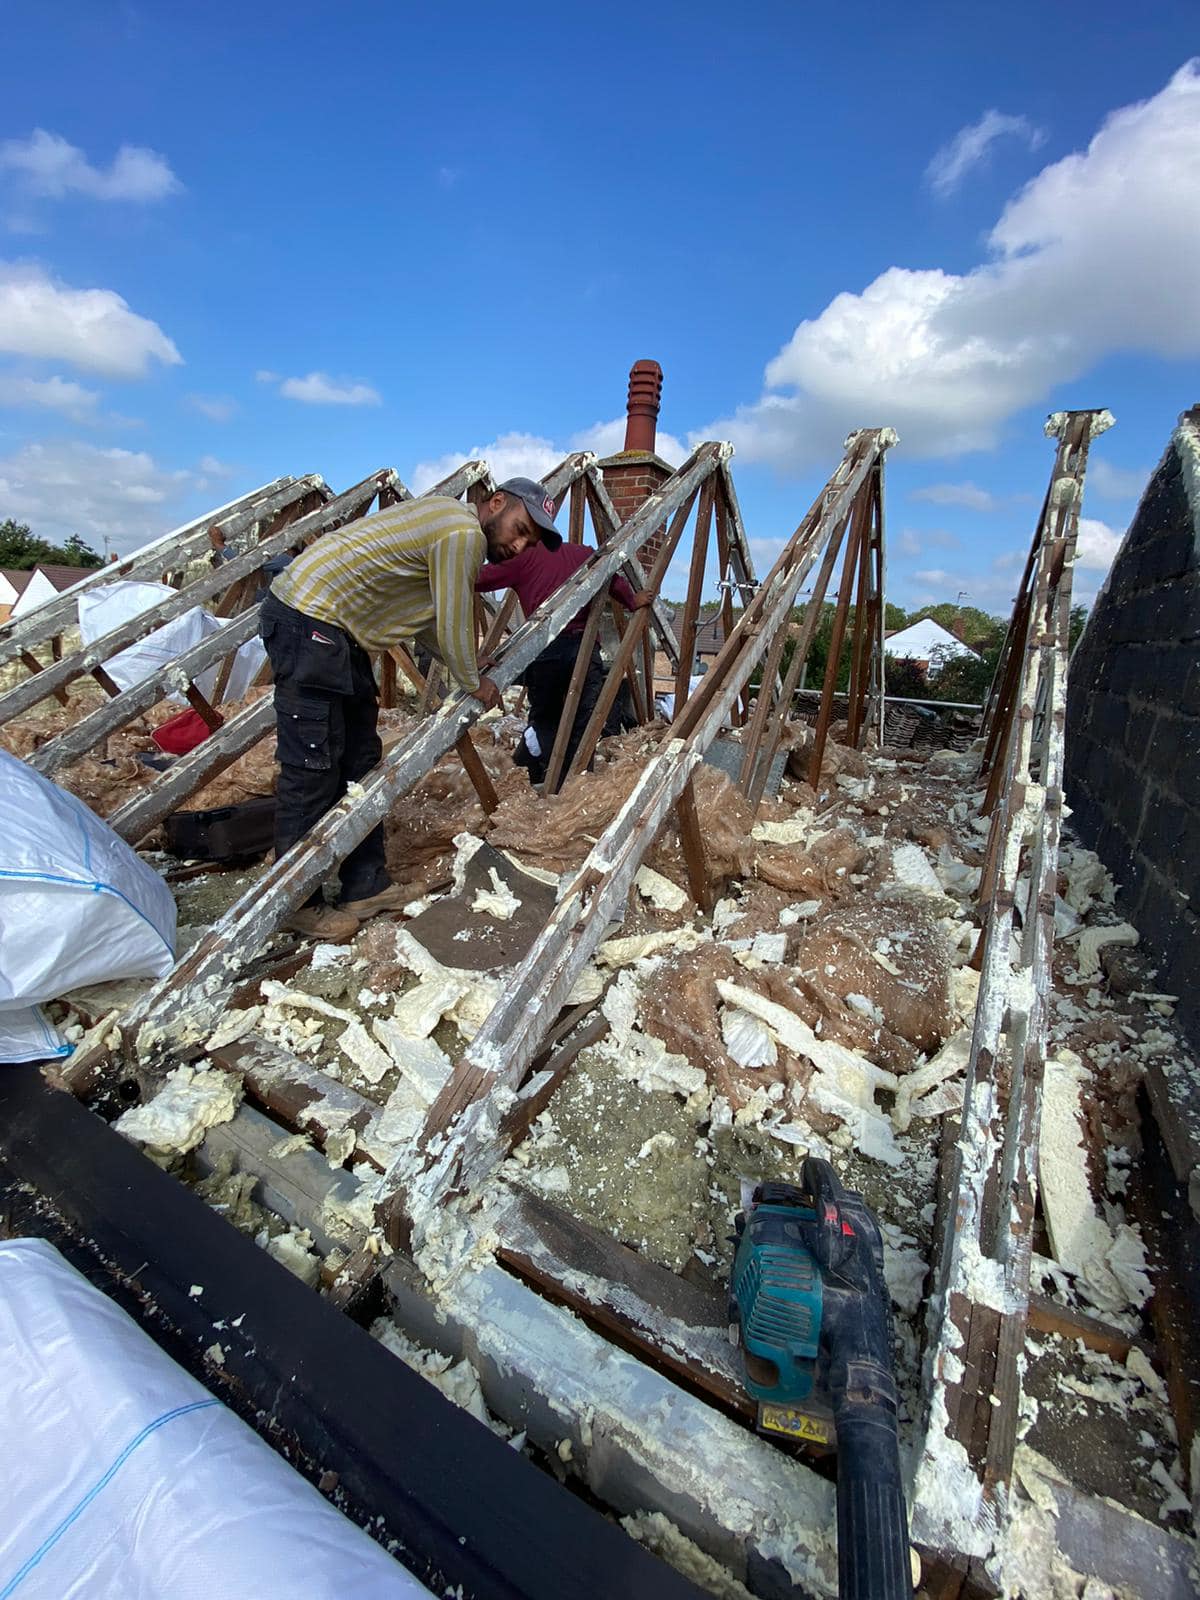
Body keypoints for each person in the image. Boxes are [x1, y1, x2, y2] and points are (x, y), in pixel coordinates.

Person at [260, 478, 560, 940]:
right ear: (496, 503)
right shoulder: (463, 534)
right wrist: (471, 680)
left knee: (360, 760)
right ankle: (296, 902)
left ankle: (365, 886)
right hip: (309, 619)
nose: (517, 545)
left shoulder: (447, 527)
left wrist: (462, 661)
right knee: (312, 765)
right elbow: (456, 617)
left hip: (338, 634)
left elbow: (425, 624)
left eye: (528, 541)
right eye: (518, 528)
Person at [475, 536, 652, 790]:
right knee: (582, 726)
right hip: (583, 648)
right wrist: (632, 601)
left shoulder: (525, 557)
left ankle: (530, 776)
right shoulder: (586, 555)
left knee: (544, 720)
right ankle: (573, 787)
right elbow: (611, 578)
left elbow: (481, 579)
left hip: (545, 650)